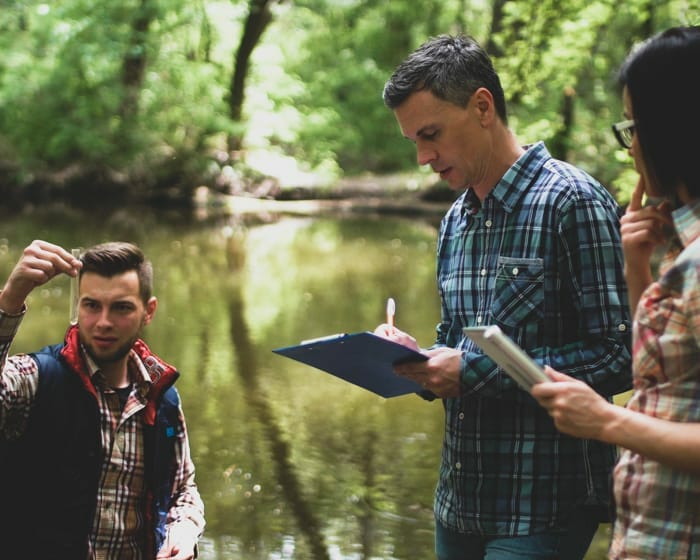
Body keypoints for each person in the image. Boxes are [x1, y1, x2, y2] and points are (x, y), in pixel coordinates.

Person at [374, 35, 632, 559]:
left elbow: (619, 356)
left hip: (545, 505)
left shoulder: (573, 201)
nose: (424, 158)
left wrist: (469, 372)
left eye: (431, 134)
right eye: (414, 143)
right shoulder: (454, 221)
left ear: (483, 106)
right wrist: (415, 360)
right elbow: (454, 345)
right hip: (458, 503)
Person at [531, 26, 700, 559]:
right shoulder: (678, 244)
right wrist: (636, 265)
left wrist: (606, 420)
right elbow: (669, 376)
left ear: (672, 129)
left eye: (633, 127)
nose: (629, 149)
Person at [0, 240, 205, 559]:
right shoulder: (37, 378)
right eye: (91, 305)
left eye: (121, 307)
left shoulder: (162, 398)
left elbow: (182, 491)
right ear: (77, 306)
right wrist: (10, 301)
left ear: (148, 311)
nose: (103, 322)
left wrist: (182, 531)